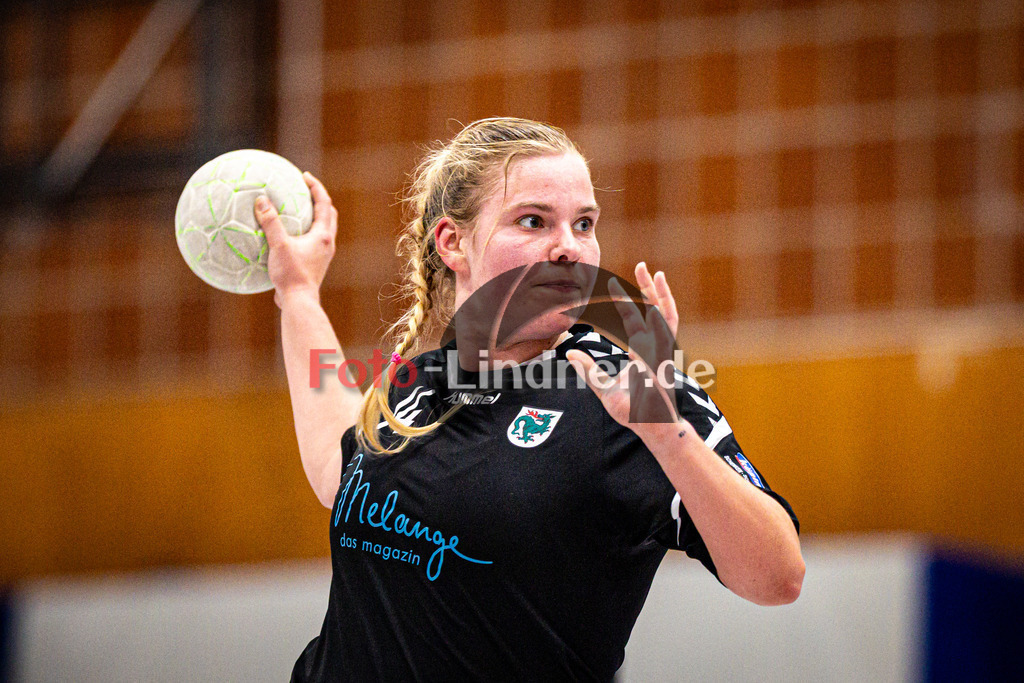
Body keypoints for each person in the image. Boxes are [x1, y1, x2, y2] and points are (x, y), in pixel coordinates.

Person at [254, 118, 804, 681]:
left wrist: (667, 434)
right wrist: (297, 293)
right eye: (533, 221)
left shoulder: (629, 393)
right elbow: (334, 471)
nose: (568, 247)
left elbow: (778, 578)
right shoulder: (425, 377)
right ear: (453, 243)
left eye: (584, 224)